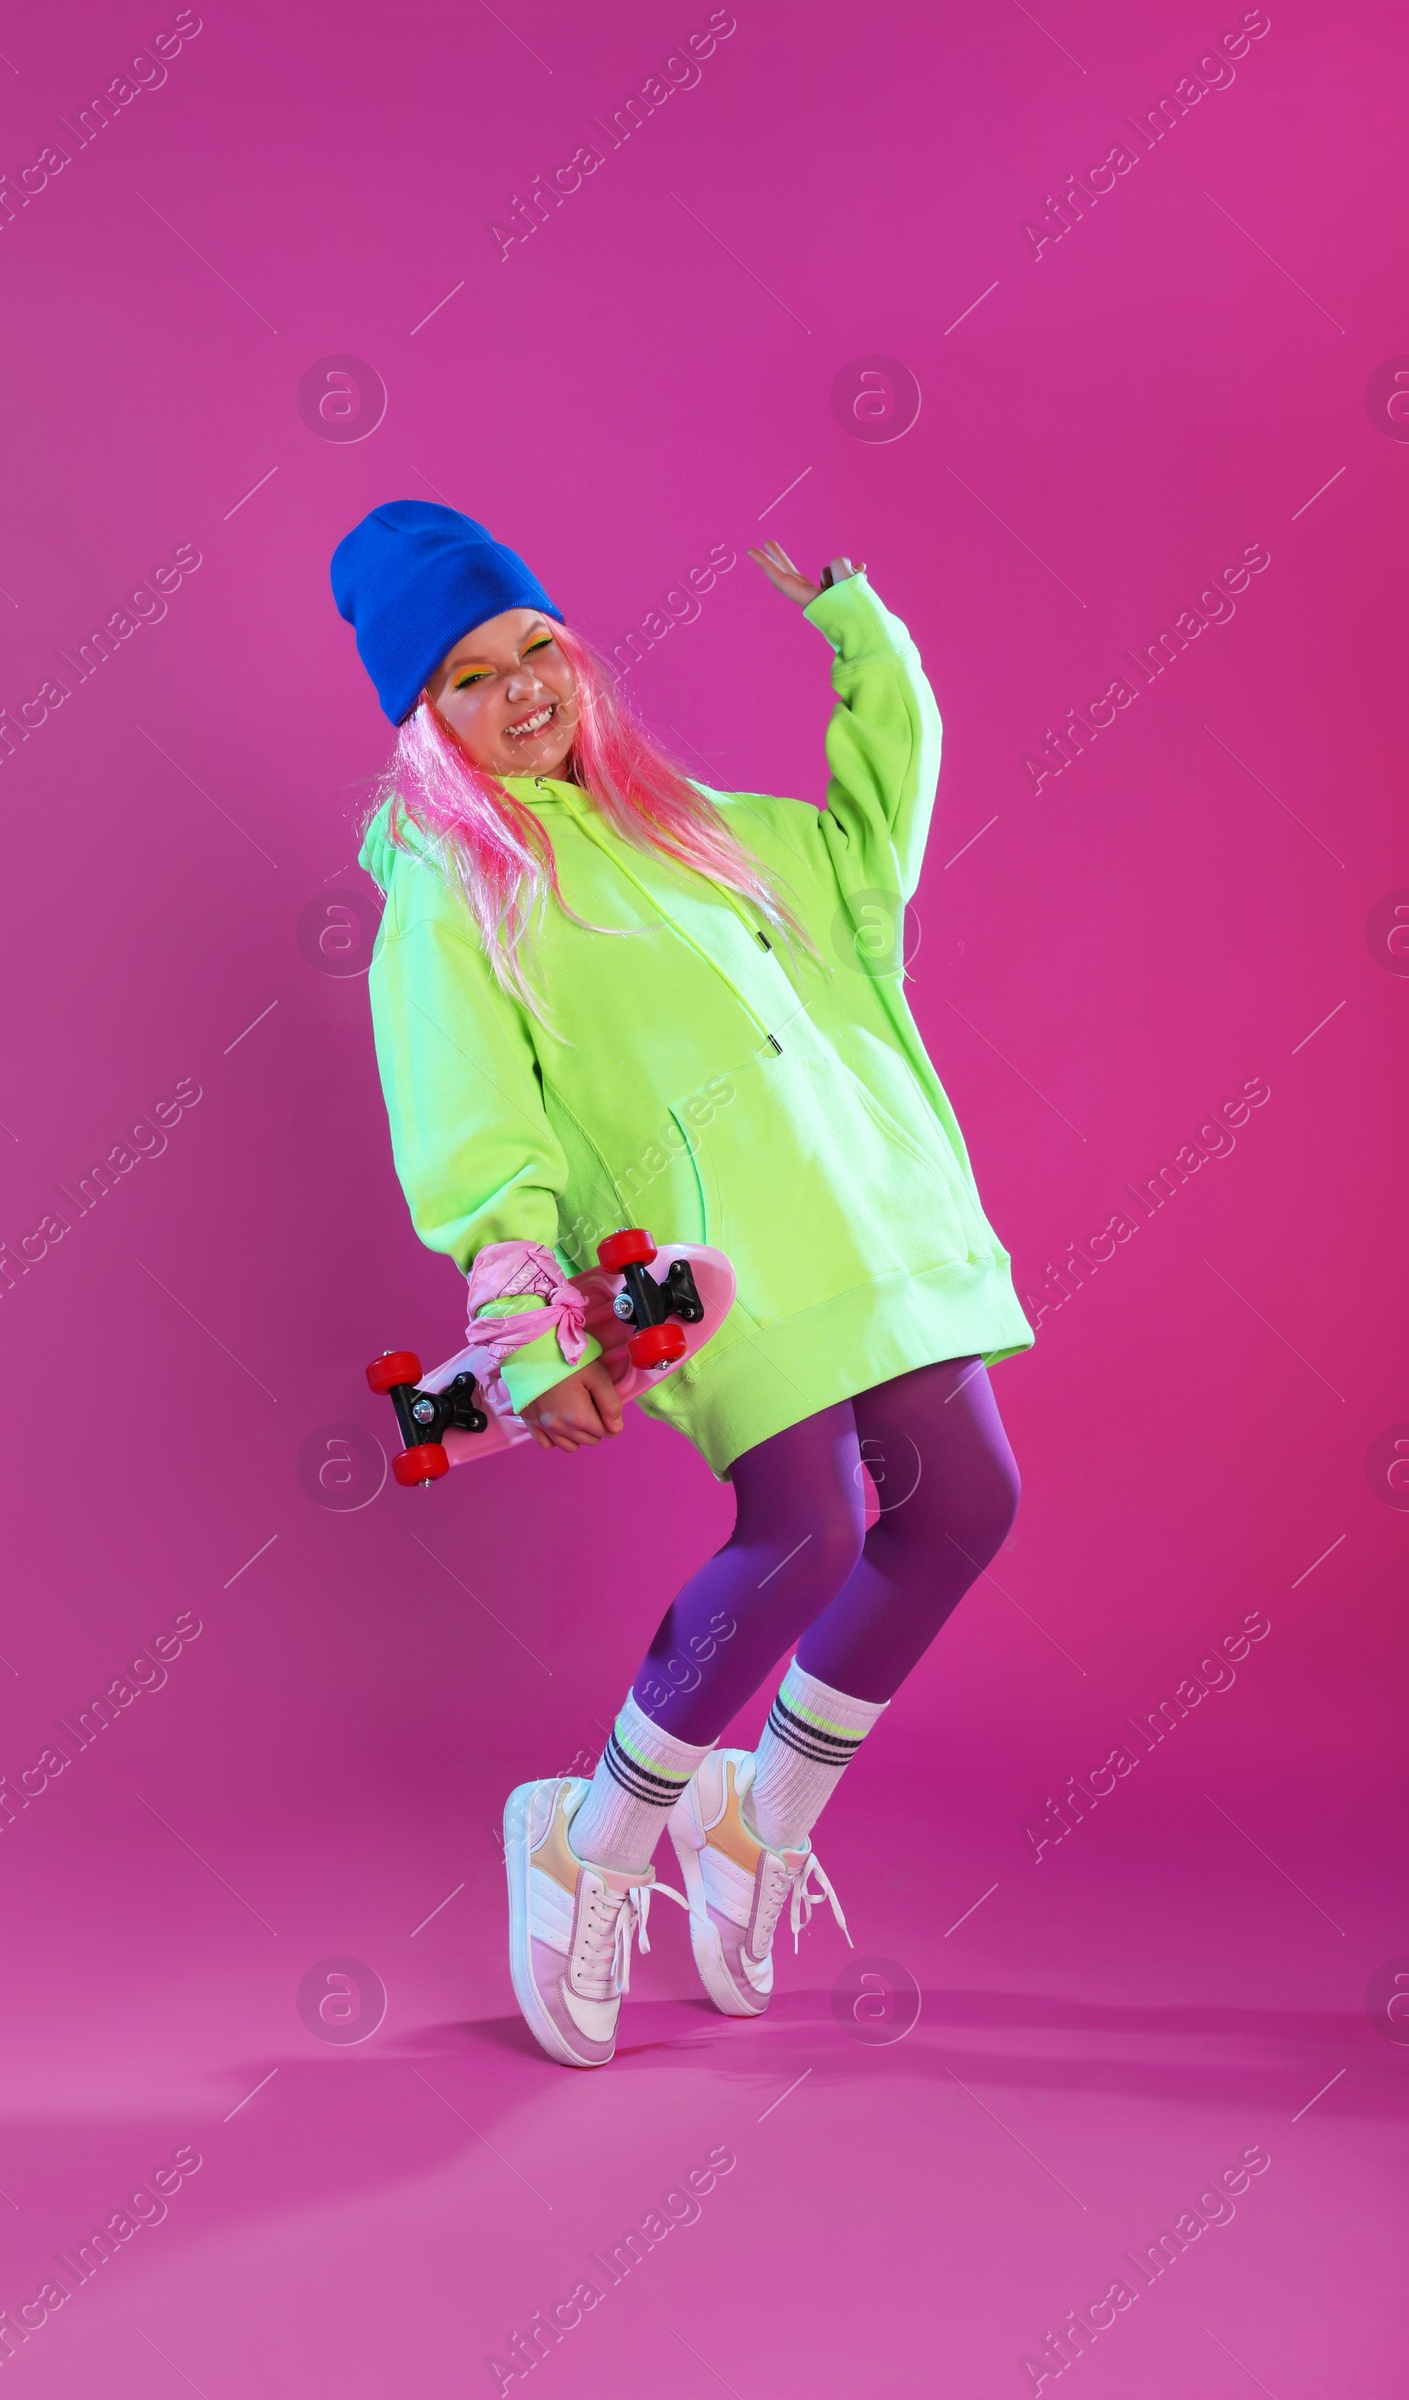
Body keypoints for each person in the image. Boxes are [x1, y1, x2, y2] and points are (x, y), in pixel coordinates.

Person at [332, 499, 1032, 2070]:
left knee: (965, 1507)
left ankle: (758, 1814)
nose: (524, 693)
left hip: (865, 1218)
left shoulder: (696, 822)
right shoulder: (457, 897)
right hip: (717, 1273)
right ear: (419, 717)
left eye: (538, 651)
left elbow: (869, 851)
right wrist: (518, 1334)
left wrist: (861, 636)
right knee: (808, 1532)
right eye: (470, 677)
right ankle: (593, 1834)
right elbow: (475, 1130)